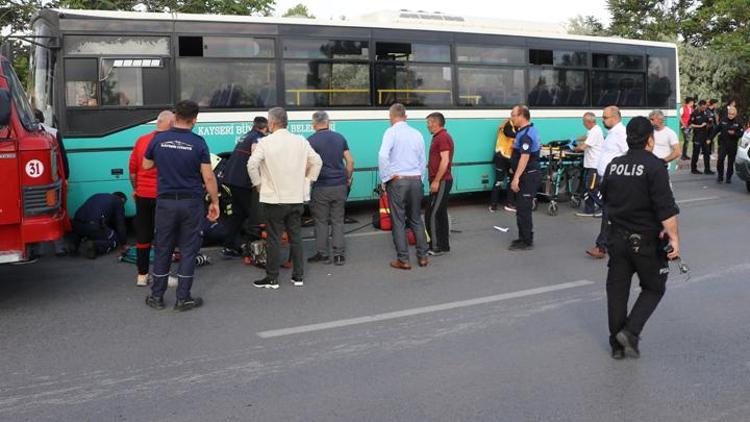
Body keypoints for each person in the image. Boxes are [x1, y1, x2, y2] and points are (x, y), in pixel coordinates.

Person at [599, 116, 680, 359]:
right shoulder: (655, 166)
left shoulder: (614, 165)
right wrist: (674, 239)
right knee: (655, 287)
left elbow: (605, 197)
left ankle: (617, 346)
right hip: (645, 241)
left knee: (617, 291)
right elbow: (665, 210)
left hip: (616, 238)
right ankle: (631, 331)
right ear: (650, 140)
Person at [143, 100, 220, 312]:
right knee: (188, 249)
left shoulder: (158, 139)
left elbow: (146, 165)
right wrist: (215, 202)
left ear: (175, 116)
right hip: (191, 203)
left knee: (163, 248)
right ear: (194, 120)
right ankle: (183, 298)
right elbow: (209, 177)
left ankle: (157, 296)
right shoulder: (198, 142)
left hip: (166, 202)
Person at [248, 107, 322, 289]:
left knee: (274, 239)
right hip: (296, 198)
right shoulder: (300, 141)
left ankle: (272, 278)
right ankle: (298, 276)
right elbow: (317, 161)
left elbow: (251, 164)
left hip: (274, 200)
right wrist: (308, 181)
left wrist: (258, 185)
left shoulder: (265, 142)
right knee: (296, 238)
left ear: (272, 123)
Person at [378, 103, 429, 269]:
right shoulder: (417, 133)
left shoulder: (390, 132)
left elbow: (383, 155)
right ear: (405, 116)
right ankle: (423, 257)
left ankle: (403, 259)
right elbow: (423, 161)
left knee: (398, 221)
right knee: (416, 219)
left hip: (398, 181)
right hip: (415, 180)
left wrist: (386, 177)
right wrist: (420, 178)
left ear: (391, 117)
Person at [128, 110, 175, 287]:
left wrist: (136, 189)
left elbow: (132, 170)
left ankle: (142, 275)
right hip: (163, 197)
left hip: (142, 195)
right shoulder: (171, 142)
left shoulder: (141, 141)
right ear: (171, 123)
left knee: (143, 236)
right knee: (164, 236)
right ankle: (162, 275)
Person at [307, 110, 354, 266]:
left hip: (321, 186)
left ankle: (323, 254)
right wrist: (347, 178)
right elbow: (350, 161)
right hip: (340, 185)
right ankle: (339, 255)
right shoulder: (339, 138)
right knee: (338, 220)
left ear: (314, 125)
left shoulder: (310, 141)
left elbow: (308, 166)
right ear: (328, 122)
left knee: (321, 221)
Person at [220, 116, 268, 258]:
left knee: (238, 215)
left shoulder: (246, 135)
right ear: (265, 128)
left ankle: (229, 246)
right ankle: (252, 249)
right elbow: (255, 157)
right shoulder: (258, 138)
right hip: (243, 182)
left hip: (231, 179)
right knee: (254, 215)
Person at [587, 106, 628, 259]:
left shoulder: (621, 134)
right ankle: (612, 243)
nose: (602, 120)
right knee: (611, 213)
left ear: (615, 117)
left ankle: (602, 246)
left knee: (608, 213)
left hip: (615, 180)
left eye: (605, 117)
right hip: (607, 179)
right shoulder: (612, 134)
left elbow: (627, 154)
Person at [508, 105, 542, 251]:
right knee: (521, 209)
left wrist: (516, 178)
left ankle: (526, 241)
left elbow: (524, 157)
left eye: (513, 115)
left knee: (524, 209)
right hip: (526, 175)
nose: (512, 118)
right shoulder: (524, 131)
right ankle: (523, 237)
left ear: (522, 115)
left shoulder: (526, 134)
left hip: (528, 176)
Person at [424, 112, 455, 255]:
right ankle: (444, 245)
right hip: (440, 180)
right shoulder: (438, 137)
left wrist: (436, 180)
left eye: (429, 122)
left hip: (441, 181)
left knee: (433, 214)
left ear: (436, 123)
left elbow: (445, 160)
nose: (427, 125)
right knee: (441, 213)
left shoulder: (442, 137)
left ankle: (435, 247)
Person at [72, 192, 128, 259]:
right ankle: (95, 246)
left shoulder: (97, 195)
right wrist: (123, 243)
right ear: (122, 199)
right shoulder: (118, 201)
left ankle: (74, 246)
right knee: (114, 240)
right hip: (93, 226)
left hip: (76, 223)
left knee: (83, 227)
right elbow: (120, 224)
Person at [574, 112, 604, 217]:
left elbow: (583, 147)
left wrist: (573, 148)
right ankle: (589, 210)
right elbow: (585, 137)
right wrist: (576, 139)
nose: (583, 124)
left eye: (583, 122)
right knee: (587, 188)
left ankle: (604, 207)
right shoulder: (592, 131)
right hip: (590, 165)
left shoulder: (595, 131)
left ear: (589, 122)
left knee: (592, 188)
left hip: (594, 165)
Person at [489, 119, 516, 213]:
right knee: (499, 181)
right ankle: (493, 205)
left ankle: (509, 204)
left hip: (509, 158)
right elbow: (508, 133)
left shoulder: (515, 126)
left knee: (510, 181)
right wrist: (520, 134)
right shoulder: (507, 124)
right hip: (501, 157)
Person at [716, 106, 743, 184]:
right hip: (723, 144)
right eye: (729, 114)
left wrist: (734, 133)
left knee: (730, 162)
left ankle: (728, 177)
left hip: (732, 145)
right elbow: (716, 129)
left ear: (735, 114)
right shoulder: (723, 120)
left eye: (732, 114)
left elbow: (741, 133)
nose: (730, 115)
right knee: (720, 160)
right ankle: (720, 176)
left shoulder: (738, 122)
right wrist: (709, 138)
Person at [690, 100, 712, 174]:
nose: (703, 108)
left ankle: (707, 169)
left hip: (705, 136)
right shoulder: (694, 113)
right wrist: (699, 126)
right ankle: (693, 169)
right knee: (696, 153)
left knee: (706, 153)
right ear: (699, 106)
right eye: (702, 107)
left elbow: (710, 123)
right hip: (697, 136)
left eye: (705, 107)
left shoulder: (707, 113)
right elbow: (690, 124)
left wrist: (708, 124)